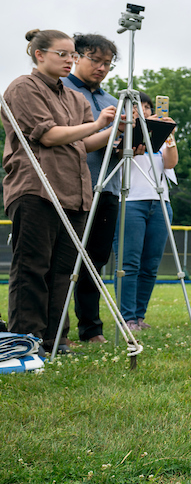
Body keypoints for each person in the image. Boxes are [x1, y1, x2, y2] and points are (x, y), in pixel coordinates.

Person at [3, 29, 116, 354]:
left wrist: (116, 130)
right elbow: (49, 136)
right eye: (62, 54)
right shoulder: (23, 87)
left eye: (72, 55)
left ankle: (56, 340)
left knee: (64, 272)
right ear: (39, 55)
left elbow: (83, 144)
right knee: (32, 267)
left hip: (76, 192)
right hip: (36, 188)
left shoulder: (75, 98)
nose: (70, 60)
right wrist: (97, 124)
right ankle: (26, 340)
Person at [61, 34, 124, 345]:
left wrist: (131, 141)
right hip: (70, 186)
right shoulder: (63, 90)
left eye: (107, 64)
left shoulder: (113, 101)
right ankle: (57, 331)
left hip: (107, 186)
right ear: (76, 57)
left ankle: (91, 328)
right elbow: (75, 143)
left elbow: (114, 147)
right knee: (63, 260)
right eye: (95, 60)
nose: (101, 68)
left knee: (95, 260)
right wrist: (111, 130)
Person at [114, 93, 178, 332]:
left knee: (150, 265)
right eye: (138, 107)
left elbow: (170, 163)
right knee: (129, 263)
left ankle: (139, 316)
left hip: (159, 203)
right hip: (131, 201)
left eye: (148, 107)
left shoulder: (158, 137)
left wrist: (169, 136)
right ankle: (127, 317)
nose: (144, 110)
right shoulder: (119, 131)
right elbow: (116, 157)